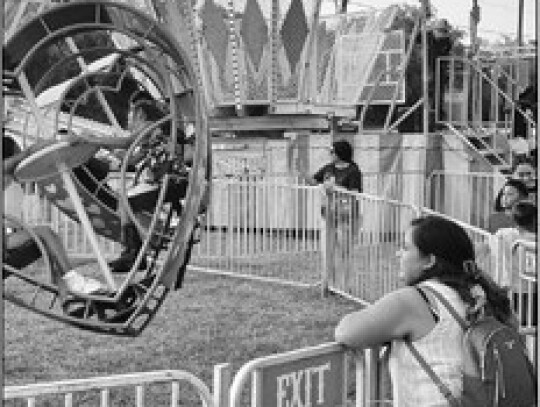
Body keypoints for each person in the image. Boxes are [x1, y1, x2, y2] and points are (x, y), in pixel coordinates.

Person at [335, 215, 514, 406]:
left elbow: (347, 332)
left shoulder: (415, 300)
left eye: (405, 248)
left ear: (429, 261)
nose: (398, 254)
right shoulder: (485, 296)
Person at [71, 90, 192, 273]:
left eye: (132, 115)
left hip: (172, 181)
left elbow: (127, 142)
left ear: (140, 113)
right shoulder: (154, 134)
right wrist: (108, 150)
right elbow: (132, 159)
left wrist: (91, 139)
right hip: (167, 181)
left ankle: (134, 253)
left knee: (126, 202)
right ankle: (134, 250)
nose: (130, 120)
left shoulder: (151, 126)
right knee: (126, 201)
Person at [2, 135, 103, 295]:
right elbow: (29, 152)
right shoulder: (3, 168)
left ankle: (68, 297)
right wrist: (61, 142)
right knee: (45, 232)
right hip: (4, 244)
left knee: (48, 243)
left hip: (7, 239)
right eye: (16, 150)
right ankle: (73, 281)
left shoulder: (11, 181)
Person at [492, 200, 537, 326]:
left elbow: (493, 246)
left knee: (518, 324)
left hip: (513, 289)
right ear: (535, 220)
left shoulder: (504, 234)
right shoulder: (533, 240)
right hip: (532, 290)